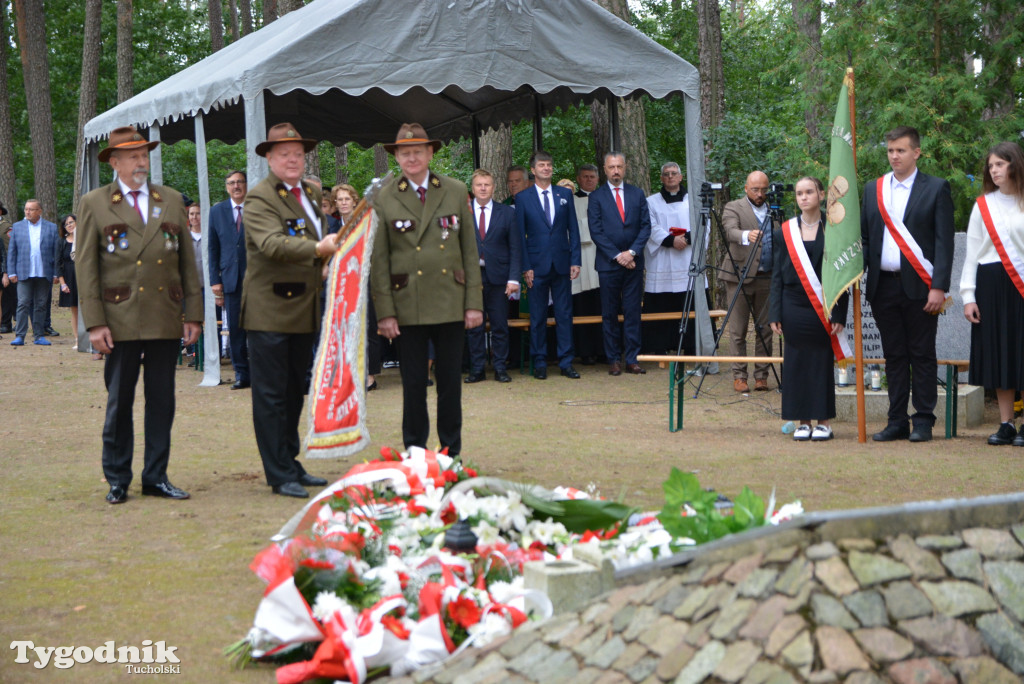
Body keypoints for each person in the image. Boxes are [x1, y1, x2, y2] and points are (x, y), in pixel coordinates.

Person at [76, 125, 202, 504]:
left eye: (144, 154)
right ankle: (117, 477)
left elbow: (187, 264)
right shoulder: (95, 203)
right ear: (114, 162)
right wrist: (94, 323)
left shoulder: (171, 199)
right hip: (119, 318)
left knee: (162, 400)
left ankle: (156, 476)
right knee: (119, 401)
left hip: (165, 315)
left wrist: (193, 314)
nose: (140, 161)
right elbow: (86, 266)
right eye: (132, 156)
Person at [370, 122, 483, 456]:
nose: (411, 158)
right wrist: (385, 312)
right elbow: (379, 260)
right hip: (407, 305)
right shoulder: (386, 197)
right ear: (396, 157)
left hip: (450, 299)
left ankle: (451, 454)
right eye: (405, 153)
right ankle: (416, 454)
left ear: (431, 152)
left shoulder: (453, 189)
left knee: (450, 385)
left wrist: (473, 302)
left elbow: (469, 250)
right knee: (414, 386)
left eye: (418, 151)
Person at [242, 123, 339, 498]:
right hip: (270, 310)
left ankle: (290, 461)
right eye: (284, 154)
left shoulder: (310, 195)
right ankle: (278, 472)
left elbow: (318, 242)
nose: (292, 159)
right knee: (270, 394)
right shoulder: (259, 198)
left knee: (294, 389)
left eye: (298, 153)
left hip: (304, 307)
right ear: (269, 157)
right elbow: (271, 244)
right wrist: (319, 252)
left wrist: (327, 263)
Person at [862, 126, 954, 443]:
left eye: (900, 150)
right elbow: (864, 239)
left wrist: (939, 286)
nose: (894, 156)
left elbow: (944, 244)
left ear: (916, 152)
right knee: (894, 355)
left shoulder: (937, 188)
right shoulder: (872, 189)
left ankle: (924, 420)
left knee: (922, 354)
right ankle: (897, 420)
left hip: (921, 286)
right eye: (890, 150)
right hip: (882, 286)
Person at [769, 177, 849, 441]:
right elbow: (777, 276)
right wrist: (775, 312)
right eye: (799, 193)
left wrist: (839, 312)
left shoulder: (835, 228)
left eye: (809, 192)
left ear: (822, 194)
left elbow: (843, 274)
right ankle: (802, 420)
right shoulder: (784, 231)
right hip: (793, 304)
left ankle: (823, 421)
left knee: (820, 362)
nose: (803, 197)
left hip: (824, 304)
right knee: (796, 363)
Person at [960, 142, 1024, 446]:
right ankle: (1006, 424)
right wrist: (968, 295)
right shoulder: (983, 204)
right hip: (990, 283)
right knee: (1001, 352)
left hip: (1020, 284)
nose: (994, 170)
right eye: (991, 165)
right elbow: (972, 253)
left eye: (1000, 164)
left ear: (1015, 164)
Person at [517, 150, 582, 380]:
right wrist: (526, 266)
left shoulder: (564, 194)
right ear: (533, 170)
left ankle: (566, 362)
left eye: (549, 165)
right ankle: (540, 361)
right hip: (536, 265)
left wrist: (576, 260)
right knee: (538, 316)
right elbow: (519, 237)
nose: (546, 168)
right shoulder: (523, 198)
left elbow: (573, 230)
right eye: (541, 165)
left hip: (562, 263)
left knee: (565, 314)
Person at [588, 152, 652, 375]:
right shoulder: (596, 197)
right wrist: (619, 256)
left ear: (625, 168)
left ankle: (632, 358)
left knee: (633, 311)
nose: (615, 171)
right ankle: (613, 359)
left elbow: (646, 227)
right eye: (611, 167)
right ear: (604, 170)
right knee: (610, 313)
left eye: (619, 167)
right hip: (609, 264)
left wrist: (632, 253)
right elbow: (596, 231)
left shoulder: (637, 194)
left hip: (634, 263)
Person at [643, 162, 708, 355]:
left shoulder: (695, 200)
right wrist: (670, 240)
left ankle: (692, 345)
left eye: (674, 173)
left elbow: (705, 223)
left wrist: (687, 238)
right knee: (662, 304)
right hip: (663, 259)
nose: (670, 177)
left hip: (688, 256)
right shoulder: (651, 202)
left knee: (690, 301)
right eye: (666, 174)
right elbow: (649, 225)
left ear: (680, 177)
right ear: (662, 178)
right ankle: (659, 345)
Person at [720, 171, 776, 392]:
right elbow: (730, 230)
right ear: (746, 188)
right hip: (739, 276)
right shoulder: (734, 207)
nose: (760, 194)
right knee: (738, 329)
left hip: (768, 277)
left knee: (766, 329)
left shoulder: (775, 210)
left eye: (764, 189)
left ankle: (761, 376)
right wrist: (746, 235)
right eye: (755, 189)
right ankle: (739, 376)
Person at [465, 168, 520, 384]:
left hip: (499, 278)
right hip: (472, 278)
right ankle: (477, 369)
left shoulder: (507, 213)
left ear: (493, 187)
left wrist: (514, 278)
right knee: (474, 327)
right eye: (479, 184)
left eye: (487, 184)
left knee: (499, 326)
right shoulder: (462, 212)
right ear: (473, 187)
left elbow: (516, 248)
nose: (483, 188)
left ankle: (500, 368)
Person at [332, 183, 382, 391]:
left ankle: (369, 375)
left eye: (347, 199)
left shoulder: (366, 222)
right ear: (335, 203)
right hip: (342, 283)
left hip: (366, 280)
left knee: (368, 326)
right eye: (340, 199)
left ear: (354, 201)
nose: (344, 203)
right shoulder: (332, 226)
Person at [209, 170, 250, 389]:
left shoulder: (256, 208)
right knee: (235, 329)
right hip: (230, 280)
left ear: (245, 185)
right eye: (232, 183)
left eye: (239, 182)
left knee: (257, 329)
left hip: (255, 280)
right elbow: (212, 248)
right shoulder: (216, 211)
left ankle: (260, 372)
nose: (236, 186)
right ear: (226, 187)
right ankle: (241, 374)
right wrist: (215, 280)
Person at [7, 199, 60, 346]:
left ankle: (39, 335)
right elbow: (12, 252)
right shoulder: (17, 227)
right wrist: (11, 272)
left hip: (44, 272)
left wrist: (56, 273)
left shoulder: (51, 227)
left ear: (39, 211)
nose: (27, 212)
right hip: (24, 272)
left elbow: (56, 253)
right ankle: (20, 336)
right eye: (26, 209)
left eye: (31, 209)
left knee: (41, 304)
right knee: (23, 303)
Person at [571, 164, 603, 364]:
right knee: (582, 305)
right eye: (585, 177)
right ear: (578, 179)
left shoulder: (604, 198)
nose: (589, 180)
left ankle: (604, 350)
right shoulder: (570, 201)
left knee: (602, 303)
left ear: (598, 179)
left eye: (592, 176)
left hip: (601, 255)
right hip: (581, 257)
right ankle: (585, 352)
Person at [56, 214, 80, 347]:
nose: (69, 226)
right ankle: (77, 339)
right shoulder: (61, 241)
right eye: (66, 224)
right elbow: (58, 263)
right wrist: (62, 283)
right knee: (74, 309)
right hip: (69, 277)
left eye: (71, 222)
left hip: (83, 275)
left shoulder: (84, 239)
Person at [0, 202, 14, 334]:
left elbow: (9, 247)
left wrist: (7, 270)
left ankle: (6, 323)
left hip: (4, 265)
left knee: (6, 295)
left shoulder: (6, 227)